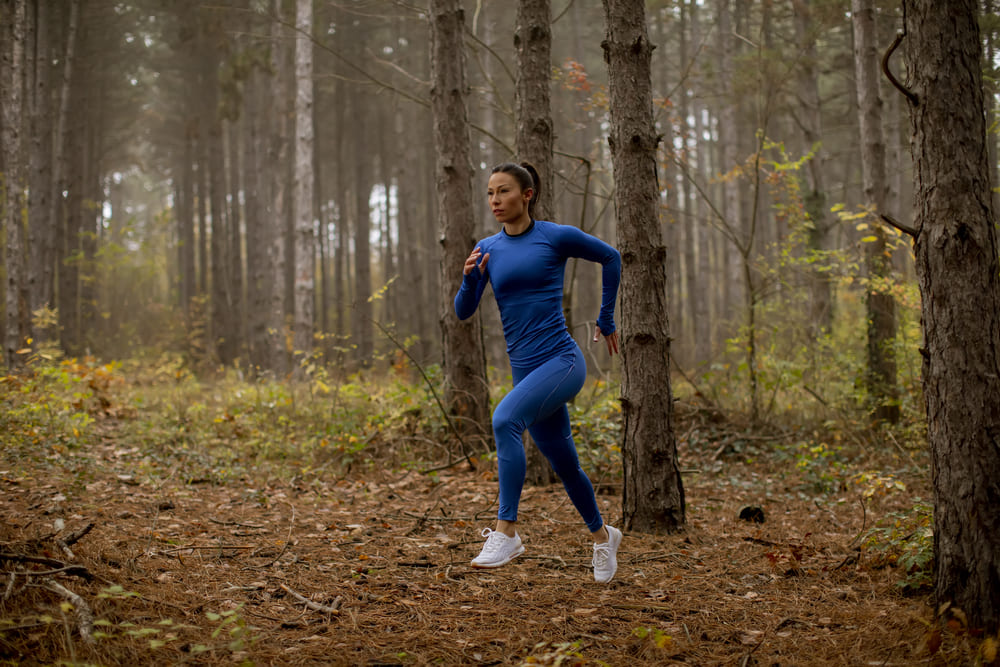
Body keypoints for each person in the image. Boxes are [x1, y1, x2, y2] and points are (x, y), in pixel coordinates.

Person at [454, 161, 623, 583]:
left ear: (526, 195)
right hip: (526, 373)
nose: (495, 200)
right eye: (490, 193)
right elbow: (463, 311)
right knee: (566, 465)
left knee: (504, 419)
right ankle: (604, 538)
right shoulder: (487, 247)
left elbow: (611, 257)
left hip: (562, 363)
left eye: (504, 192)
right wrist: (469, 278)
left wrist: (606, 318)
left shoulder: (554, 236)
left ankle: (506, 531)